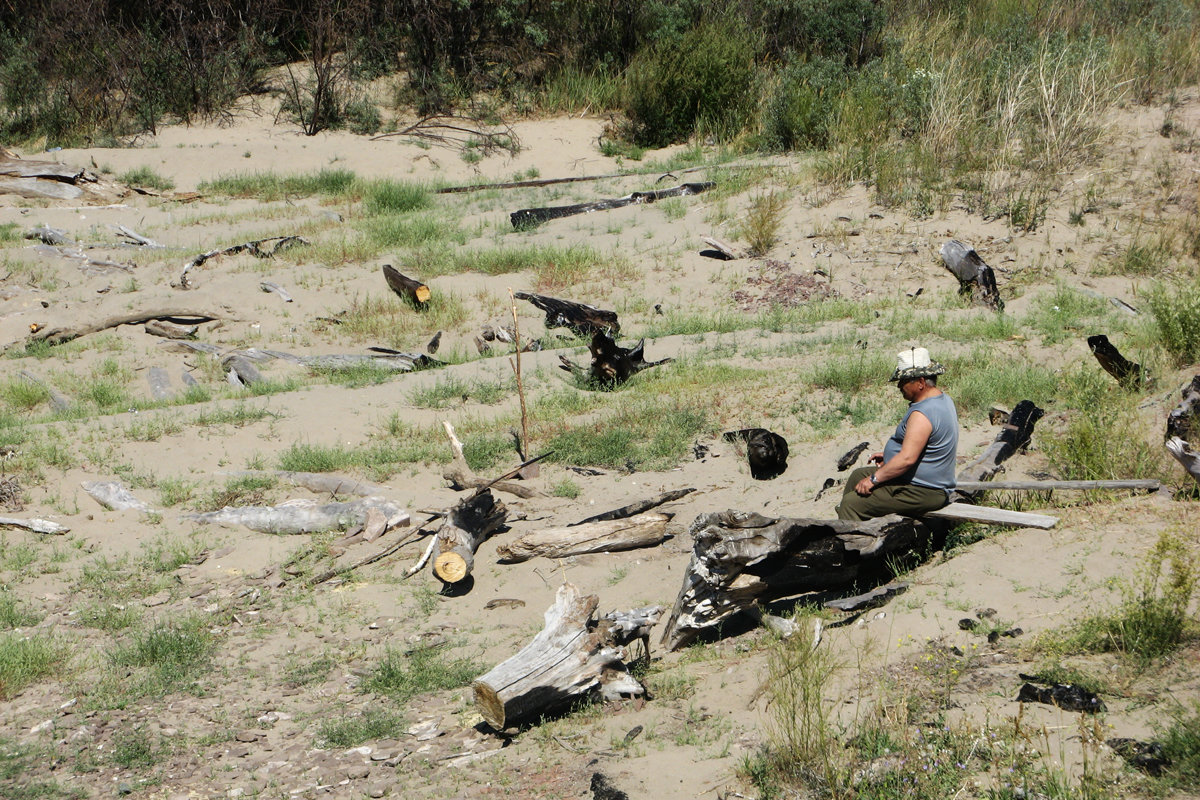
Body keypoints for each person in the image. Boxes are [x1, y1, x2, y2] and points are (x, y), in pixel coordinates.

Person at [835, 347, 958, 521]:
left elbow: (907, 459)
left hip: (924, 490)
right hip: (926, 482)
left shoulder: (922, 414)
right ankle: (848, 525)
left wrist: (874, 479)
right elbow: (924, 447)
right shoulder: (942, 400)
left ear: (921, 382)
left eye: (903, 380)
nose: (899, 385)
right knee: (857, 476)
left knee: (852, 503)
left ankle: (851, 544)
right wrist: (890, 455)